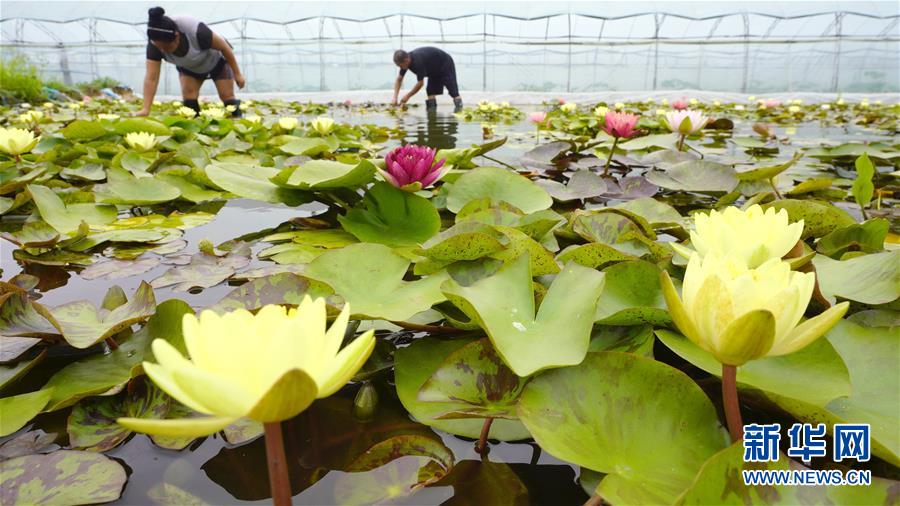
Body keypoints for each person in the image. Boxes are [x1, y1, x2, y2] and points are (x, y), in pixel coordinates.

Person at [137, 7, 244, 117]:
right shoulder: (154, 46)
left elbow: (225, 48)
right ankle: (195, 128)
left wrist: (237, 74)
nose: (165, 51)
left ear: (177, 36)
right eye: (161, 48)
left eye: (168, 47)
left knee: (227, 96)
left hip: (216, 61)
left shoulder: (196, 30)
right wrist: (145, 109)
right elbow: (151, 78)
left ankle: (237, 120)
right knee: (189, 97)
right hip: (188, 67)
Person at [392, 47, 463, 112]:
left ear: (406, 60)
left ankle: (460, 112)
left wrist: (407, 96)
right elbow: (399, 79)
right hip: (432, 69)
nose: (400, 67)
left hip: (445, 63)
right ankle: (432, 120)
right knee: (430, 92)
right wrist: (395, 97)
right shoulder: (405, 63)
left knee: (453, 92)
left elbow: (420, 83)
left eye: (400, 65)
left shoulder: (417, 61)